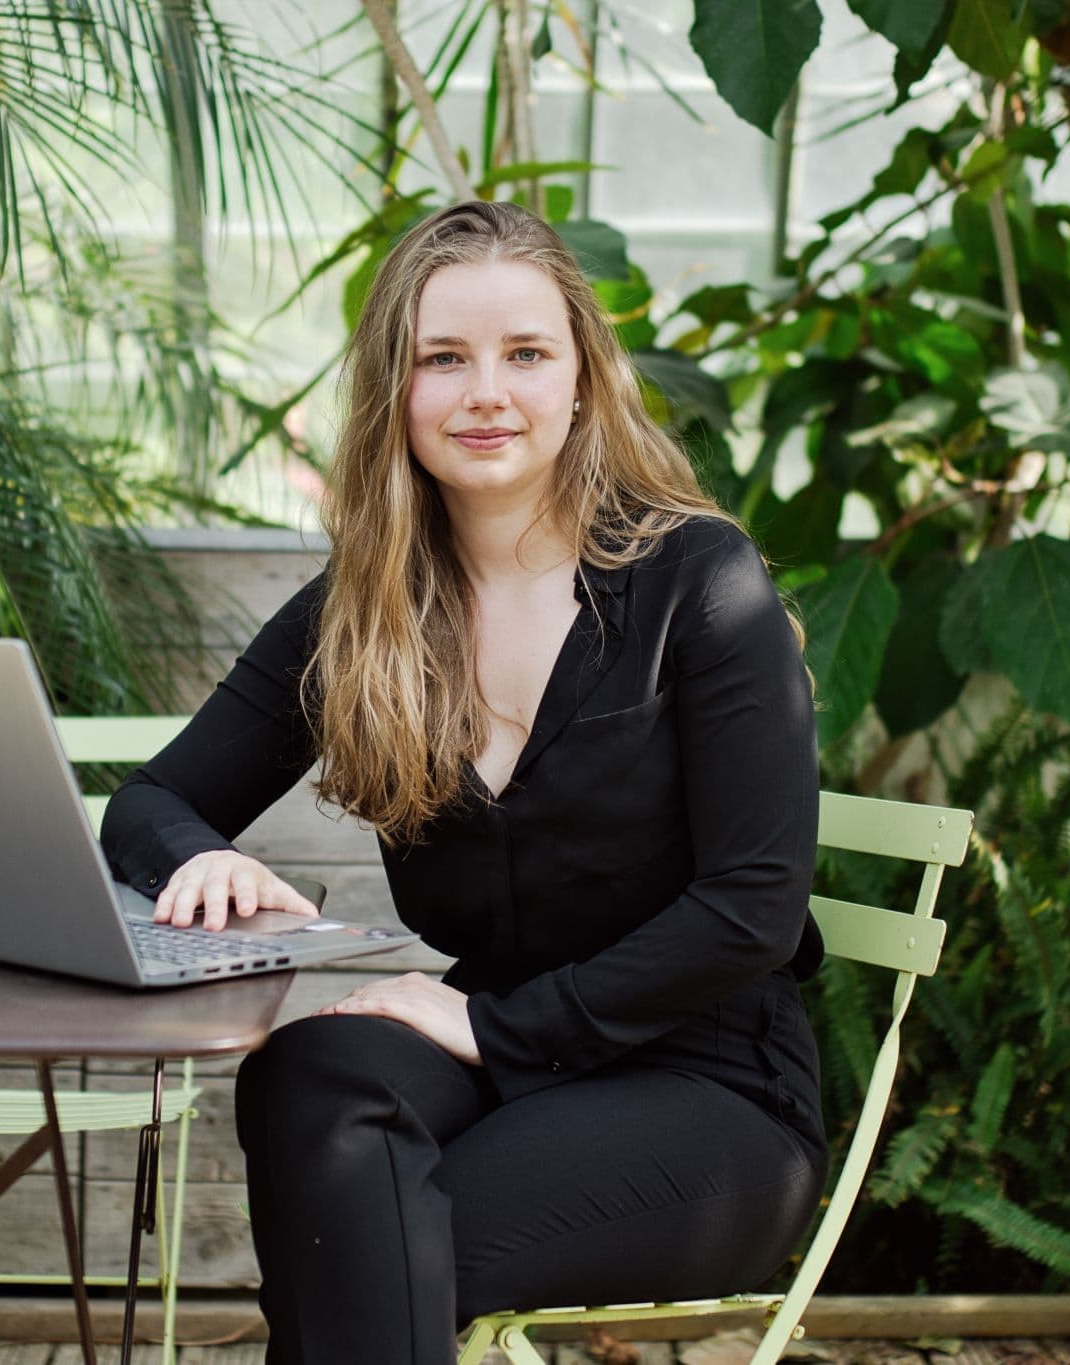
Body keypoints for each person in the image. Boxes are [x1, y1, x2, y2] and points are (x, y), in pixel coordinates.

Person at [100, 200, 825, 1364]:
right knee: (312, 1069)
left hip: (708, 1091)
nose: (486, 392)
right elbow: (146, 803)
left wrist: (490, 1023)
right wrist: (202, 855)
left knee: (359, 1229)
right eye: (445, 357)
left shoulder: (698, 582)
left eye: (525, 354)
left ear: (582, 380)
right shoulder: (365, 608)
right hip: (495, 1064)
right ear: (397, 389)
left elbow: (753, 910)